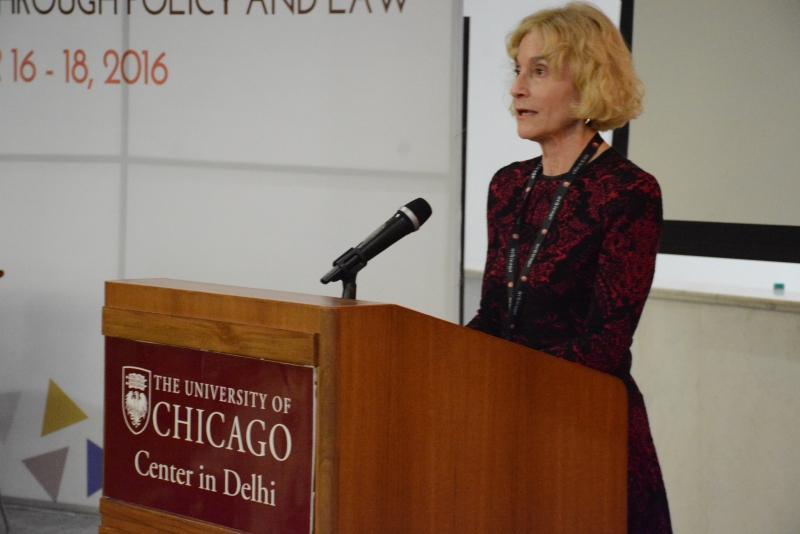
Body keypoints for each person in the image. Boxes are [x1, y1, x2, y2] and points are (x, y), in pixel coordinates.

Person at [467, 3, 672, 532]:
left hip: (585, 429)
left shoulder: (628, 191)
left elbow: (604, 342)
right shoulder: (508, 185)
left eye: (538, 72)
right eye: (517, 70)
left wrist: (507, 379)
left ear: (586, 84)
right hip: (508, 425)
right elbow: (493, 317)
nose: (516, 89)